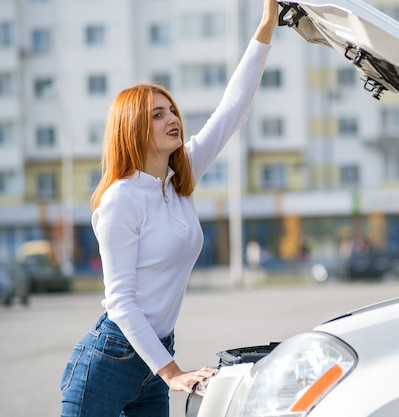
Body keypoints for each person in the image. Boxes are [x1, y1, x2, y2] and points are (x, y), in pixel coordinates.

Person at [59, 2, 278, 416]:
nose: (172, 118)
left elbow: (232, 111)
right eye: (157, 115)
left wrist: (266, 26)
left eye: (171, 109)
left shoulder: (180, 179)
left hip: (154, 354)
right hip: (110, 362)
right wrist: (173, 372)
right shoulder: (120, 199)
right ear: (135, 129)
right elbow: (121, 302)